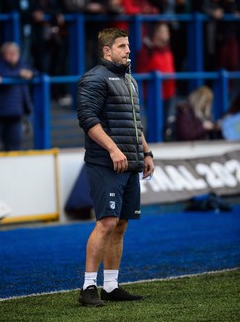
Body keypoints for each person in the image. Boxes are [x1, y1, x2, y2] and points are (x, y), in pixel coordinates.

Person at [77, 27, 154, 306]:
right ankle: (88, 287)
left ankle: (110, 286)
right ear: (107, 51)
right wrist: (112, 149)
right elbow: (87, 119)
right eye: (122, 46)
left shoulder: (130, 80)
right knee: (106, 222)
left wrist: (146, 152)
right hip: (105, 162)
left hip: (130, 163)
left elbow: (135, 123)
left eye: (128, 46)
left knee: (121, 225)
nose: (128, 51)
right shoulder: (94, 79)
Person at [0, 42, 35, 152]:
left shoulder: (22, 65)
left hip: (15, 113)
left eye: (15, 53)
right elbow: (2, 73)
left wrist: (31, 74)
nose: (12, 56)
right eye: (9, 53)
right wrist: (20, 74)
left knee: (13, 148)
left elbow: (35, 72)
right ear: (3, 54)